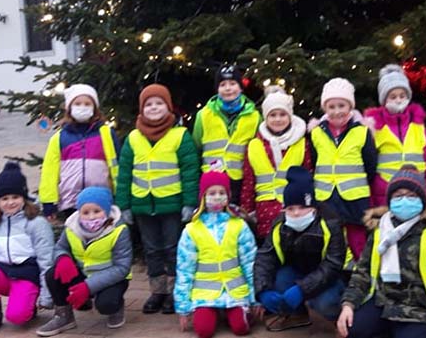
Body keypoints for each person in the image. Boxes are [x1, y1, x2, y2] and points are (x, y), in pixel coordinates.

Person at [337, 165, 426, 338]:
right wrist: (348, 304)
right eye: (398, 196)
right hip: (382, 304)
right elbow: (362, 273)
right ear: (390, 200)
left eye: (411, 196)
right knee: (352, 329)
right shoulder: (379, 231)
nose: (404, 201)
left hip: (420, 311)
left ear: (422, 201)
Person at [115, 84, 200, 314]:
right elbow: (124, 174)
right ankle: (157, 291)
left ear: (168, 107)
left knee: (173, 248)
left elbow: (190, 172)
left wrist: (189, 203)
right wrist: (123, 206)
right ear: (142, 109)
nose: (154, 107)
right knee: (152, 249)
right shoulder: (133, 138)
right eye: (149, 104)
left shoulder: (180, 136)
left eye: (159, 103)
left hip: (171, 204)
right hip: (143, 205)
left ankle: (174, 291)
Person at [255, 166, 346, 331]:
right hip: (296, 271)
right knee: (279, 281)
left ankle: (339, 321)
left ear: (313, 207)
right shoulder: (280, 224)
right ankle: (297, 316)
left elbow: (333, 264)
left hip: (328, 277)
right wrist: (262, 290)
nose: (296, 213)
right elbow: (266, 256)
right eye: (290, 208)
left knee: (325, 303)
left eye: (302, 207)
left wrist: (302, 290)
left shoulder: (330, 223)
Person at [0, 162, 54, 334]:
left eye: (15, 197)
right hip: (3, 274)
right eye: (4, 198)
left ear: (24, 198)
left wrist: (47, 295)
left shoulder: (37, 224)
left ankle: (28, 303)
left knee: (17, 317)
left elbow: (46, 260)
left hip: (26, 275)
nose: (10, 203)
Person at [36, 187, 132, 336]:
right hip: (83, 273)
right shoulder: (71, 227)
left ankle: (116, 306)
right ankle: (64, 316)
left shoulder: (119, 230)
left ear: (106, 210)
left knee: (106, 304)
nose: (91, 217)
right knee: (53, 274)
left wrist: (88, 286)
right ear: (79, 212)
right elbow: (60, 247)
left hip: (112, 279)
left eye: (97, 211)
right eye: (85, 212)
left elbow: (122, 268)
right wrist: (63, 258)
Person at [174, 171, 257, 338]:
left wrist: (255, 299)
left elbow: (250, 263)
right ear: (203, 197)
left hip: (236, 290)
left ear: (228, 196)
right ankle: (215, 312)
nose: (217, 197)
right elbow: (184, 270)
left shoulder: (239, 225)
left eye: (221, 192)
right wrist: (183, 308)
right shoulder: (192, 229)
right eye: (212, 193)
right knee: (204, 331)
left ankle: (230, 311)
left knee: (241, 328)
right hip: (205, 293)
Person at [310, 77, 377, 260]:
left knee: (357, 240)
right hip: (326, 196)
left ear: (350, 107)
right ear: (325, 108)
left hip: (354, 197)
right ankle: (332, 271)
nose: (337, 111)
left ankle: (361, 271)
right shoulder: (316, 133)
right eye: (331, 107)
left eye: (342, 105)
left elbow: (370, 165)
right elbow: (314, 162)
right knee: (330, 237)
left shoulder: (361, 131)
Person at [38, 84, 120, 223]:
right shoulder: (59, 138)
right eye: (77, 103)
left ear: (94, 108)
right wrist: (48, 201)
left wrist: (120, 195)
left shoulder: (106, 134)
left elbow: (117, 165)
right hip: (71, 201)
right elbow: (49, 171)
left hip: (101, 199)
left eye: (87, 104)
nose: (82, 107)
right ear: (69, 108)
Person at [364, 64, 426, 207]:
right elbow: (368, 165)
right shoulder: (375, 127)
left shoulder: (419, 127)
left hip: (416, 192)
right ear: (384, 100)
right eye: (393, 96)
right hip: (384, 194)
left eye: (402, 96)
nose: (398, 100)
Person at [240, 86, 312, 241]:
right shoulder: (254, 145)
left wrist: (309, 207)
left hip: (294, 212)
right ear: (266, 118)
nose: (278, 119)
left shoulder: (301, 143)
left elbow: (307, 177)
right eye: (272, 115)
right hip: (264, 212)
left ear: (290, 116)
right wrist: (247, 212)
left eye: (282, 114)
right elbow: (248, 183)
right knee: (268, 249)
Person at [193, 65, 261, 200]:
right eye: (222, 84)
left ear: (241, 87)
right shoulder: (204, 115)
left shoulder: (254, 116)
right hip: (211, 179)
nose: (228, 88)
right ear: (217, 89)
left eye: (232, 83)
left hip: (239, 180)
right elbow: (196, 146)